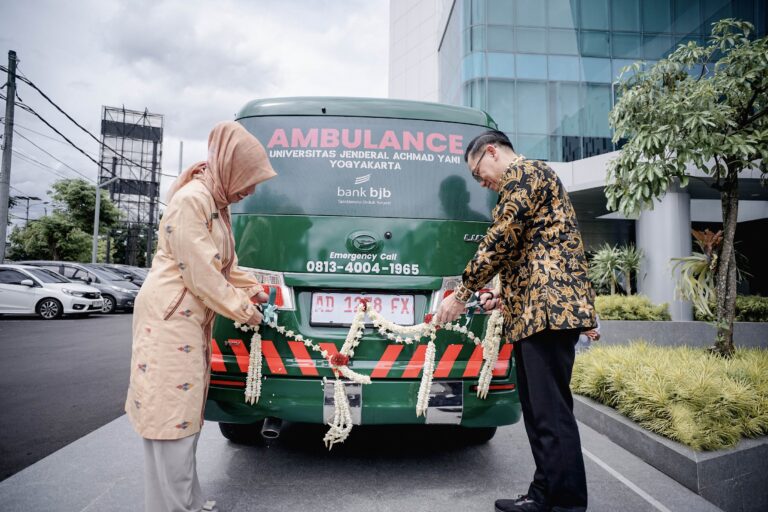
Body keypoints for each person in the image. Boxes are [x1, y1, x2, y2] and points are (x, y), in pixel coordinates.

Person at [435, 130, 596, 512]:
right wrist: (501, 296)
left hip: (548, 313)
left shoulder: (526, 173)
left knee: (551, 414)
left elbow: (502, 239)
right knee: (540, 413)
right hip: (534, 313)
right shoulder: (529, 180)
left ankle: (567, 505)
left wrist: (462, 292)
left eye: (478, 173)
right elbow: (530, 252)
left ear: (492, 151)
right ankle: (543, 495)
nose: (481, 183)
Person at [125, 121, 277, 512]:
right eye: (249, 180)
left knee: (185, 412)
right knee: (170, 416)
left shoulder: (215, 202)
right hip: (169, 318)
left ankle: (186, 501)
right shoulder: (193, 200)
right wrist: (246, 309)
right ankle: (172, 507)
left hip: (186, 318)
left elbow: (225, 265)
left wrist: (253, 288)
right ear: (231, 168)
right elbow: (201, 272)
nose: (251, 191)